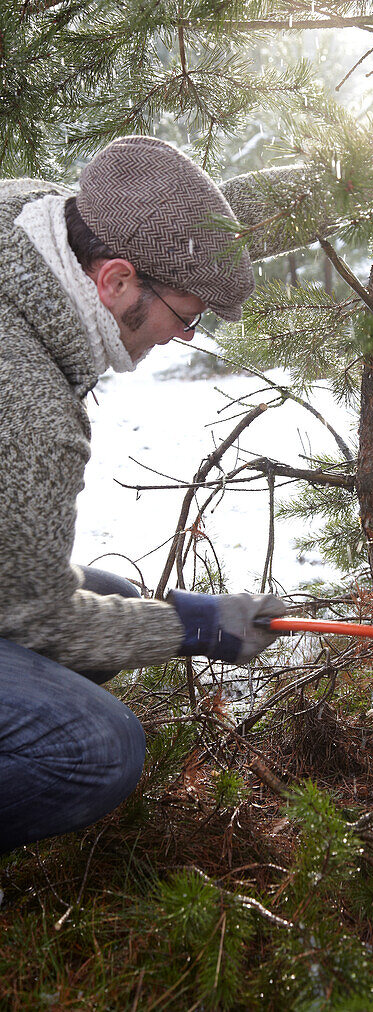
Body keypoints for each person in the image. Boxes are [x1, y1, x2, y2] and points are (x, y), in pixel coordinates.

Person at [0, 135, 299, 854]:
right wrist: (198, 627)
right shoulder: (30, 407)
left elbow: (185, 215)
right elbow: (35, 619)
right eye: (184, 315)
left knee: (103, 590)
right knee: (97, 747)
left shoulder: (24, 217)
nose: (182, 336)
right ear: (115, 282)